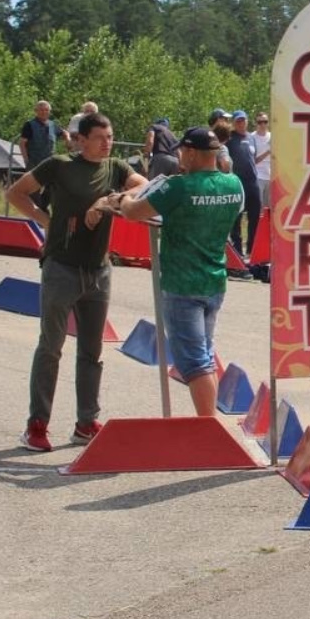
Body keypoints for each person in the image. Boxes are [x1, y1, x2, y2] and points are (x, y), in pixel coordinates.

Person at [5, 112, 146, 452]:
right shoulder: (59, 165)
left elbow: (145, 185)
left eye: (110, 137)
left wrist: (109, 200)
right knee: (51, 347)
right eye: (100, 137)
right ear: (80, 139)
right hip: (61, 268)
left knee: (92, 351)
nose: (107, 143)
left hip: (98, 270)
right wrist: (45, 220)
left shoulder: (115, 168)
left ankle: (86, 422)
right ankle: (37, 424)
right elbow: (16, 193)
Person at [118, 127, 245, 416]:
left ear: (190, 152)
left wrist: (123, 199)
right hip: (214, 279)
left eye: (181, 151)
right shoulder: (234, 184)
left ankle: (207, 426)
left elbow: (133, 212)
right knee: (205, 355)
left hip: (182, 282)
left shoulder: (179, 186)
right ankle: (208, 421)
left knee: (193, 363)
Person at [225, 111, 262, 258]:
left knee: (255, 216)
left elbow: (253, 158)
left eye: (243, 121)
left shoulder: (251, 138)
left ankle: (251, 250)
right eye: (238, 121)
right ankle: (238, 250)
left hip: (253, 183)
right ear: (234, 122)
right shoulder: (229, 139)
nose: (241, 123)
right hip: (237, 183)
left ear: (247, 121)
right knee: (237, 217)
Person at [252, 112, 272, 208]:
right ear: (256, 123)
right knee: (259, 208)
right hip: (258, 176)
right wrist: (268, 152)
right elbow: (252, 160)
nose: (263, 124)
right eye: (260, 122)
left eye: (265, 121)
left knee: (270, 207)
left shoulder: (273, 136)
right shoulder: (252, 137)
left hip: (271, 176)